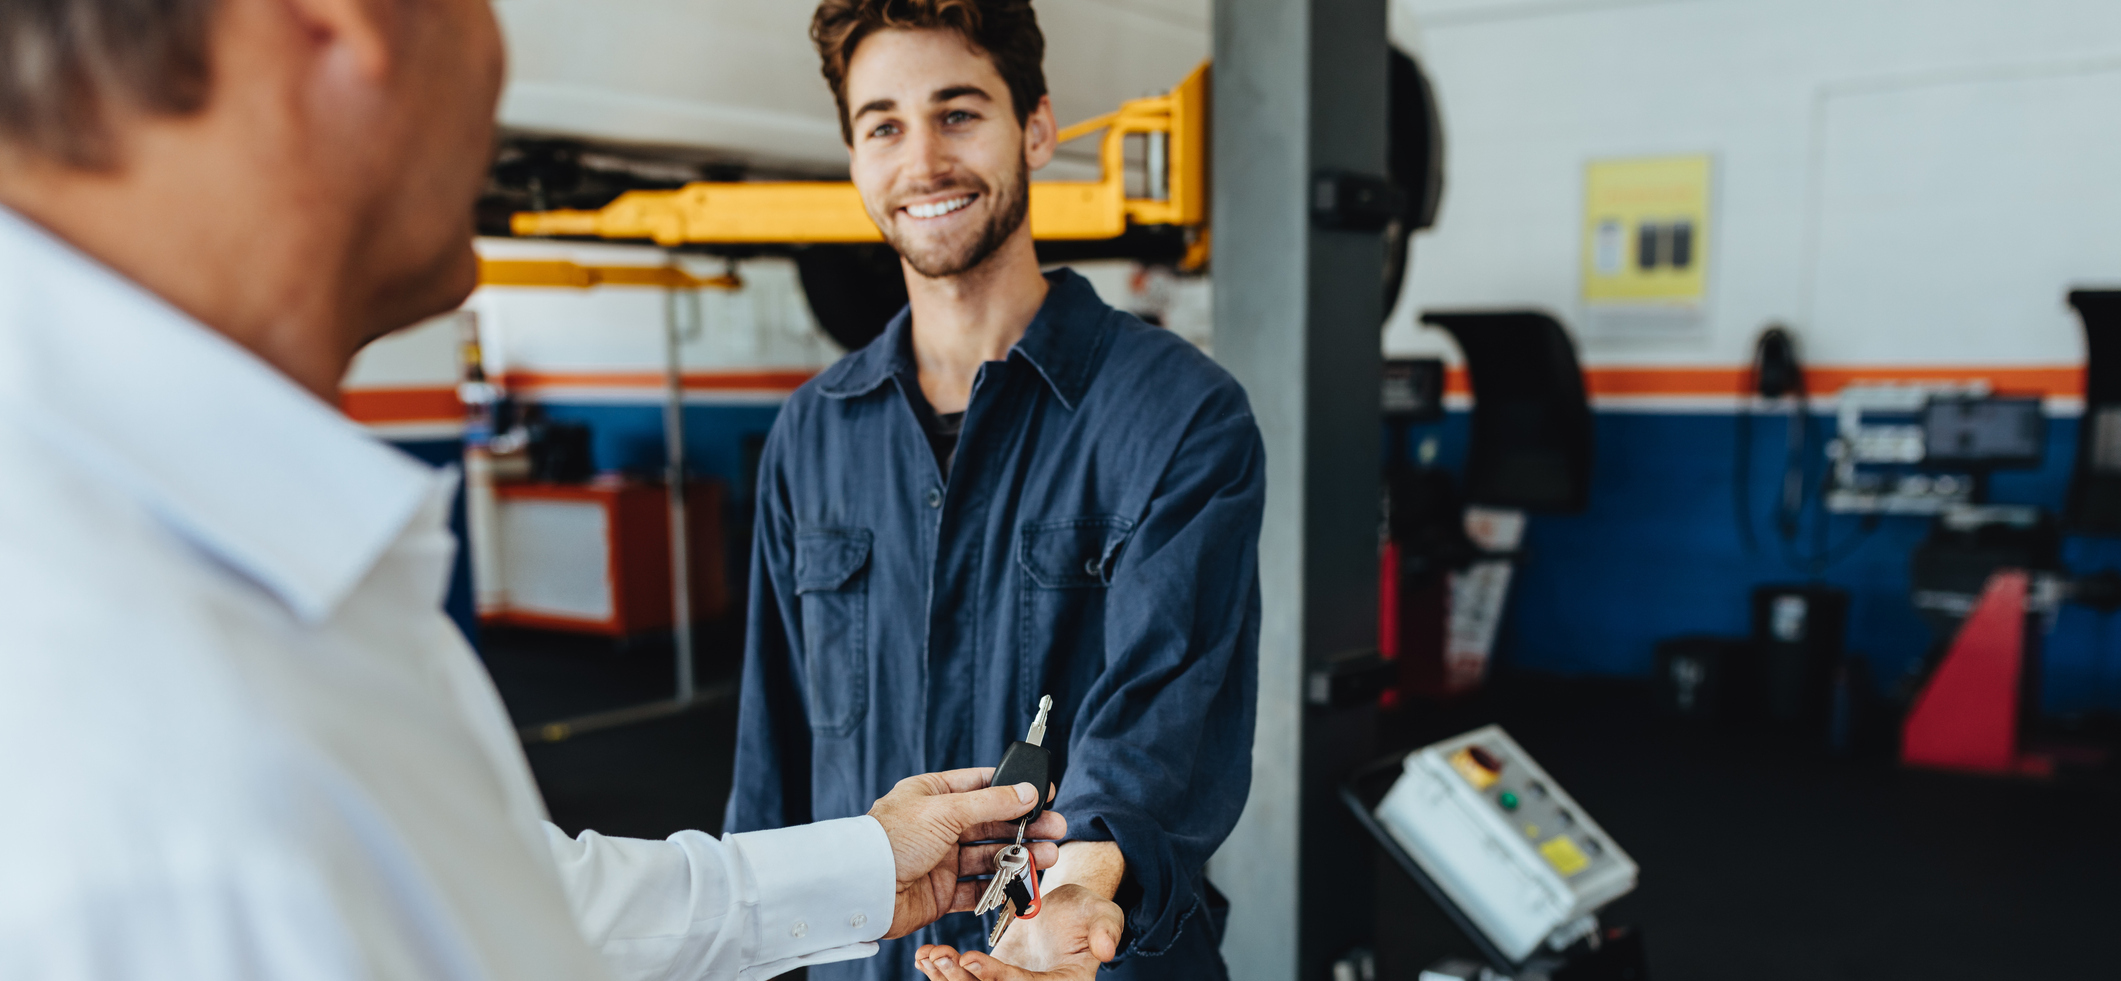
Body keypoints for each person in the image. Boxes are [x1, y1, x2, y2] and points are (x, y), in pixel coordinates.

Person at [0, 1, 1067, 978]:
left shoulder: (181, 579)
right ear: (342, 20)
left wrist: (866, 863)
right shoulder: (149, 745)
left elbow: (511, 902)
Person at [725, 2, 1266, 980]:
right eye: (884, 125)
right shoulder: (812, 431)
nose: (923, 160)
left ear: (1037, 129)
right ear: (854, 159)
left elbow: (1163, 712)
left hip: (1084, 960)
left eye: (959, 113)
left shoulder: (1179, 413)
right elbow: (773, 754)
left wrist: (1077, 887)